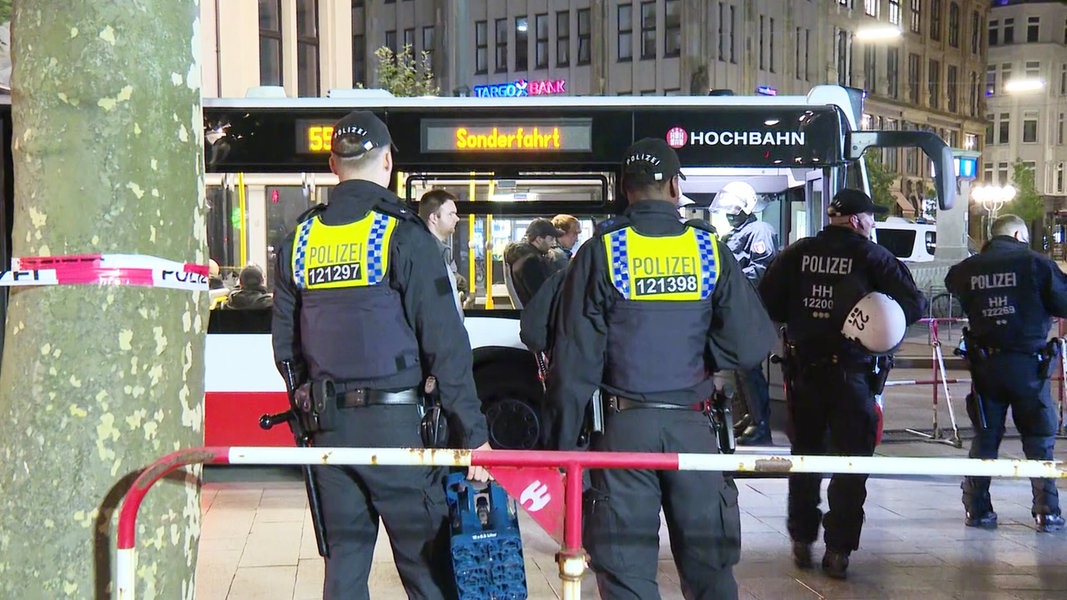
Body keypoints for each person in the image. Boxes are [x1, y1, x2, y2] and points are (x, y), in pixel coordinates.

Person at [271, 110, 491, 600]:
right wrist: (474, 435)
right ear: (388, 161)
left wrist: (312, 403)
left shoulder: (299, 241)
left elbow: (285, 348)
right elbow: (446, 344)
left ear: (333, 164)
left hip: (329, 431)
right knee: (428, 571)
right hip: (401, 433)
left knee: (345, 572)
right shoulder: (403, 235)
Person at [545, 138, 777, 599]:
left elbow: (574, 363)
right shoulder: (708, 250)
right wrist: (704, 352)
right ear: (675, 187)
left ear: (622, 189)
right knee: (710, 570)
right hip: (694, 425)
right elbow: (751, 342)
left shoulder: (601, 253)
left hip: (622, 432)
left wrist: (562, 449)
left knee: (626, 572)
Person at [758, 188, 926, 579]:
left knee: (806, 457)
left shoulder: (798, 253)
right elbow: (913, 305)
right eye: (870, 219)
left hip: (804, 372)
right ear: (856, 220)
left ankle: (801, 538)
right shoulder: (872, 255)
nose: (871, 226)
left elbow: (767, 300)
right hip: (853, 373)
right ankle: (838, 550)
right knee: (851, 462)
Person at [945, 214, 1067, 533]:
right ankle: (1046, 510)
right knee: (1039, 439)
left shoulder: (968, 269)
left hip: (986, 367)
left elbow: (952, 286)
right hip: (1029, 366)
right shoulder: (1035, 264)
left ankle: (977, 507)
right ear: (1017, 234)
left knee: (985, 437)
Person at [712, 181, 779, 445]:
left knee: (751, 369)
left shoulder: (759, 230)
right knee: (741, 369)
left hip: (751, 307)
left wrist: (730, 282)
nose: (730, 214)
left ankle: (761, 425)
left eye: (735, 210)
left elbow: (760, 270)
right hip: (738, 308)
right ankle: (751, 417)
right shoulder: (734, 234)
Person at [418, 188, 468, 315]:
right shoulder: (426, 252)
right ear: (434, 218)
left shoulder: (440, 250)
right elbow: (436, 294)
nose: (457, 219)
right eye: (451, 214)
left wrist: (455, 281)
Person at [503, 218, 563, 307]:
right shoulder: (532, 262)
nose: (553, 243)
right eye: (551, 239)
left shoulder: (520, 257)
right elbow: (544, 295)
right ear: (539, 239)